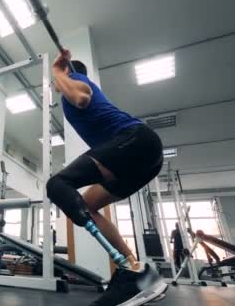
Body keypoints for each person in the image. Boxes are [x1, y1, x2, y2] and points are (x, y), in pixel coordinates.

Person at [46, 50, 167, 306]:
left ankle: (131, 270)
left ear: (68, 72)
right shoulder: (72, 89)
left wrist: (58, 72)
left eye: (57, 79)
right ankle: (135, 272)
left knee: (57, 184)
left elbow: (80, 97)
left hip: (135, 141)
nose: (55, 85)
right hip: (140, 159)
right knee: (88, 207)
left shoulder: (78, 81)